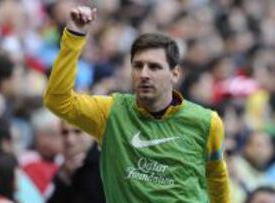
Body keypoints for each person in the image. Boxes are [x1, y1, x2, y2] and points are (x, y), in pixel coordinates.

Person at [43, 5, 230, 203]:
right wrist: (74, 35)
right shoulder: (111, 113)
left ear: (175, 73)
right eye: (138, 66)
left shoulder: (207, 122)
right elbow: (58, 100)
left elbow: (217, 179)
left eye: (155, 67)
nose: (144, 74)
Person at [47, 121, 105, 203]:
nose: (70, 139)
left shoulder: (105, 166)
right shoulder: (65, 168)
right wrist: (64, 177)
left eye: (78, 131)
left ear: (93, 134)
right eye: (65, 132)